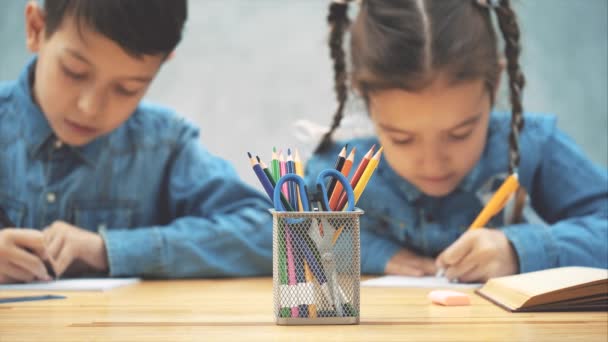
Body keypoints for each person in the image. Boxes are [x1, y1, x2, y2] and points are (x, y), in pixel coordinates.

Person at [306, 0, 608, 282]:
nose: (433, 163)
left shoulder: (534, 144)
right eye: (402, 139)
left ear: (495, 84)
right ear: (365, 98)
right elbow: (276, 232)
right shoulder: (342, 170)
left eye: (460, 133)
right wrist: (373, 254)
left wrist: (519, 250)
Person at [0, 0, 272, 283]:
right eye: (73, 71)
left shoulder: (164, 144)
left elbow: (269, 233)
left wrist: (108, 249)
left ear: (161, 65)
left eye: (126, 89)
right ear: (36, 28)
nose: (90, 107)